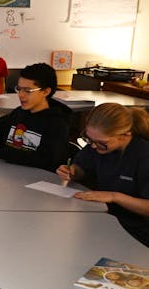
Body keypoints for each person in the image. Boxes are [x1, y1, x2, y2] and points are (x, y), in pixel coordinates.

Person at [56, 103, 149, 246]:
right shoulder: (97, 146)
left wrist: (114, 196)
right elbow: (82, 168)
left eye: (101, 142)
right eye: (89, 139)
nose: (93, 146)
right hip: (102, 221)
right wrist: (72, 172)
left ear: (125, 135)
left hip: (136, 233)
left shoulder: (143, 156)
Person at [0, 62, 69, 172]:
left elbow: (44, 159)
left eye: (28, 91)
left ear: (46, 91)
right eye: (19, 89)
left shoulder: (56, 123)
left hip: (37, 181)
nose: (21, 95)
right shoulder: (19, 113)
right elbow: (0, 131)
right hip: (10, 174)